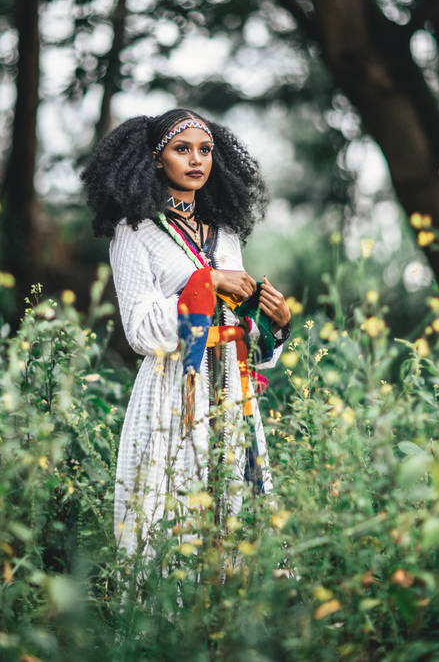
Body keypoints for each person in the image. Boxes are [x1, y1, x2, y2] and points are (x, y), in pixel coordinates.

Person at [82, 109, 291, 554]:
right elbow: (139, 330)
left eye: (205, 150)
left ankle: (231, 615)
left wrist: (276, 320)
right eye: (182, 149)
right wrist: (205, 282)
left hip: (232, 391)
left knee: (234, 504)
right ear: (157, 160)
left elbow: (240, 332)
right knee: (170, 510)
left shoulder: (227, 235)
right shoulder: (134, 232)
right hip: (171, 391)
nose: (196, 160)